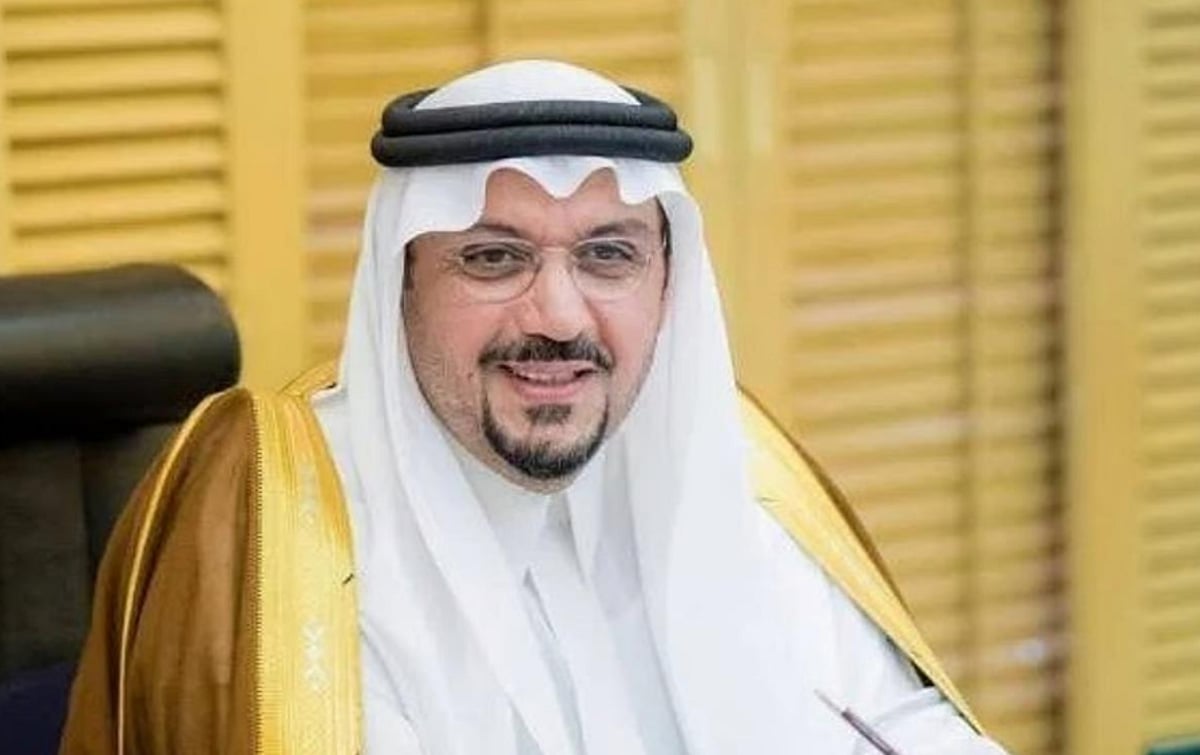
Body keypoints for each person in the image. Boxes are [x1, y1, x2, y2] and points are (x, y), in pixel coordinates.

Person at [60, 60, 1008, 754]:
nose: (557, 317)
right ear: (401, 286)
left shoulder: (729, 468)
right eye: (492, 258)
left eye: (608, 256)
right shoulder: (276, 532)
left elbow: (897, 721)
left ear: (668, 282)